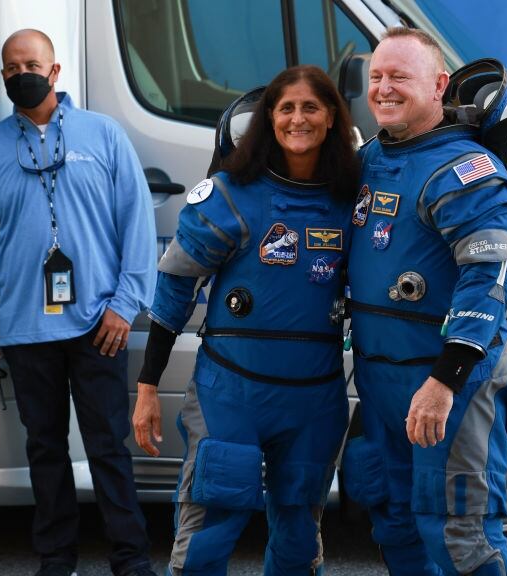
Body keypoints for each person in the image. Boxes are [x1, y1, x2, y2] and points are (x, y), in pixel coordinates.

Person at [132, 65, 359, 575]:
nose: (297, 119)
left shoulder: (352, 203)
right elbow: (173, 292)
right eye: (286, 108)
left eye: (310, 107)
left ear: (330, 120)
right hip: (232, 393)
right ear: (268, 120)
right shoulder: (230, 195)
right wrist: (148, 385)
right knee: (209, 534)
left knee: (299, 538)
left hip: (314, 398)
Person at [0, 29, 158, 576]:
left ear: (55, 71)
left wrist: (125, 304)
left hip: (99, 324)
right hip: (24, 330)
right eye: (12, 66)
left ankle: (131, 559)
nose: (23, 73)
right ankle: (56, 558)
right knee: (44, 450)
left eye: (32, 63)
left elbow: (137, 227)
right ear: (4, 78)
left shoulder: (105, 135)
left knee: (108, 448)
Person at [340, 27, 507, 576]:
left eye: (400, 76)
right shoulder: (370, 158)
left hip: (450, 384)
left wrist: (445, 379)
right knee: (395, 522)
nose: (383, 88)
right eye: (376, 76)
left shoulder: (465, 170)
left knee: (461, 535)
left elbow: (490, 277)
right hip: (382, 382)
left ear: (440, 84)